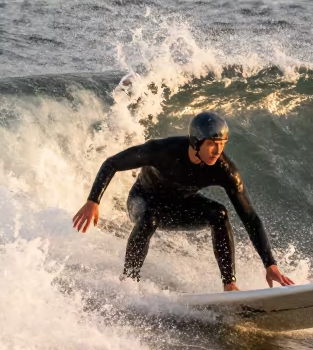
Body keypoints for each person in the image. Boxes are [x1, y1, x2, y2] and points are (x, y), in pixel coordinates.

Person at [72, 111, 294, 292]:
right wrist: (93, 201)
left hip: (180, 204)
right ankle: (128, 282)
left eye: (222, 144)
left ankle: (229, 285)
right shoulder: (163, 151)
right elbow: (112, 163)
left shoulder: (224, 170)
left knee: (219, 214)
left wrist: (270, 264)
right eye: (212, 144)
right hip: (143, 200)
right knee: (150, 218)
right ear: (197, 141)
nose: (218, 151)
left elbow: (250, 217)